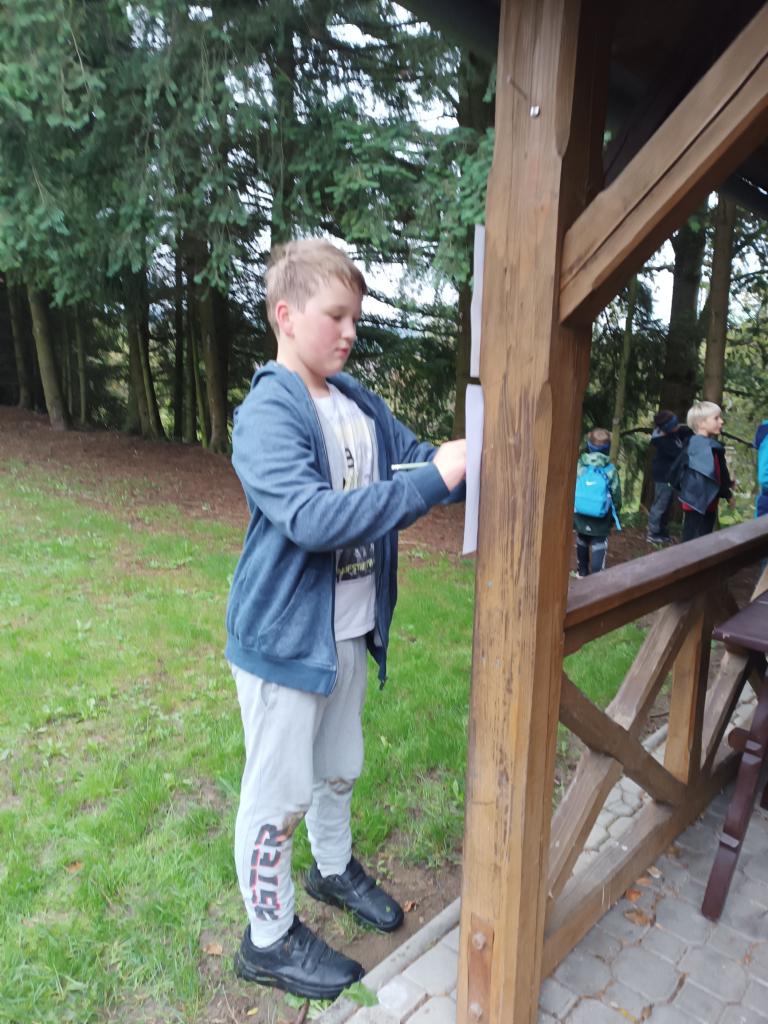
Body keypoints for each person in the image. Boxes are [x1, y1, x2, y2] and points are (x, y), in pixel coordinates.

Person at [225, 239, 467, 1000]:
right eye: (336, 316)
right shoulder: (269, 411)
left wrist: (467, 465)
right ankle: (267, 940)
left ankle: (332, 871)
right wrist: (432, 483)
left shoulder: (358, 401)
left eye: (355, 318)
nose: (350, 331)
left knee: (338, 768)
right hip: (285, 642)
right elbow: (310, 517)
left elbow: (414, 465)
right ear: (286, 315)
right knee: (277, 796)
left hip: (349, 634)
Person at [672, 400, 733, 542]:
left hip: (708, 503)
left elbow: (720, 474)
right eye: (716, 418)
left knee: (701, 539)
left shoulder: (711, 447)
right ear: (701, 423)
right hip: (696, 503)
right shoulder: (698, 447)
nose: (721, 421)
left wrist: (727, 492)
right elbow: (679, 472)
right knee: (694, 541)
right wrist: (727, 493)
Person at [573, 427, 622, 577]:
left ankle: (582, 572)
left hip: (580, 513)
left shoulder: (580, 465)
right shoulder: (610, 470)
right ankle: (596, 576)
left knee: (582, 539)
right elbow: (616, 494)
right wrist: (615, 513)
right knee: (599, 542)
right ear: (607, 449)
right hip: (601, 516)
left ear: (589, 445)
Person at [646, 409, 691, 544]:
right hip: (663, 476)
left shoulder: (674, 433)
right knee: (660, 504)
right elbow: (680, 453)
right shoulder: (662, 441)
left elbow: (685, 432)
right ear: (667, 428)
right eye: (674, 425)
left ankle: (661, 531)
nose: (677, 427)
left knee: (666, 505)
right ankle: (653, 533)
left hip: (671, 475)